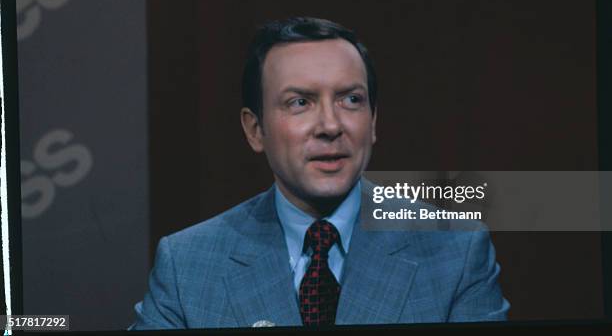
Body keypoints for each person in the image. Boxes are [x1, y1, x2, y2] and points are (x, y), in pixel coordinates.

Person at [130, 17, 510, 329]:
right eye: (300, 102)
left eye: (351, 100)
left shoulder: (455, 252)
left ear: (373, 122)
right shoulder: (187, 264)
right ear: (254, 129)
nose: (330, 125)